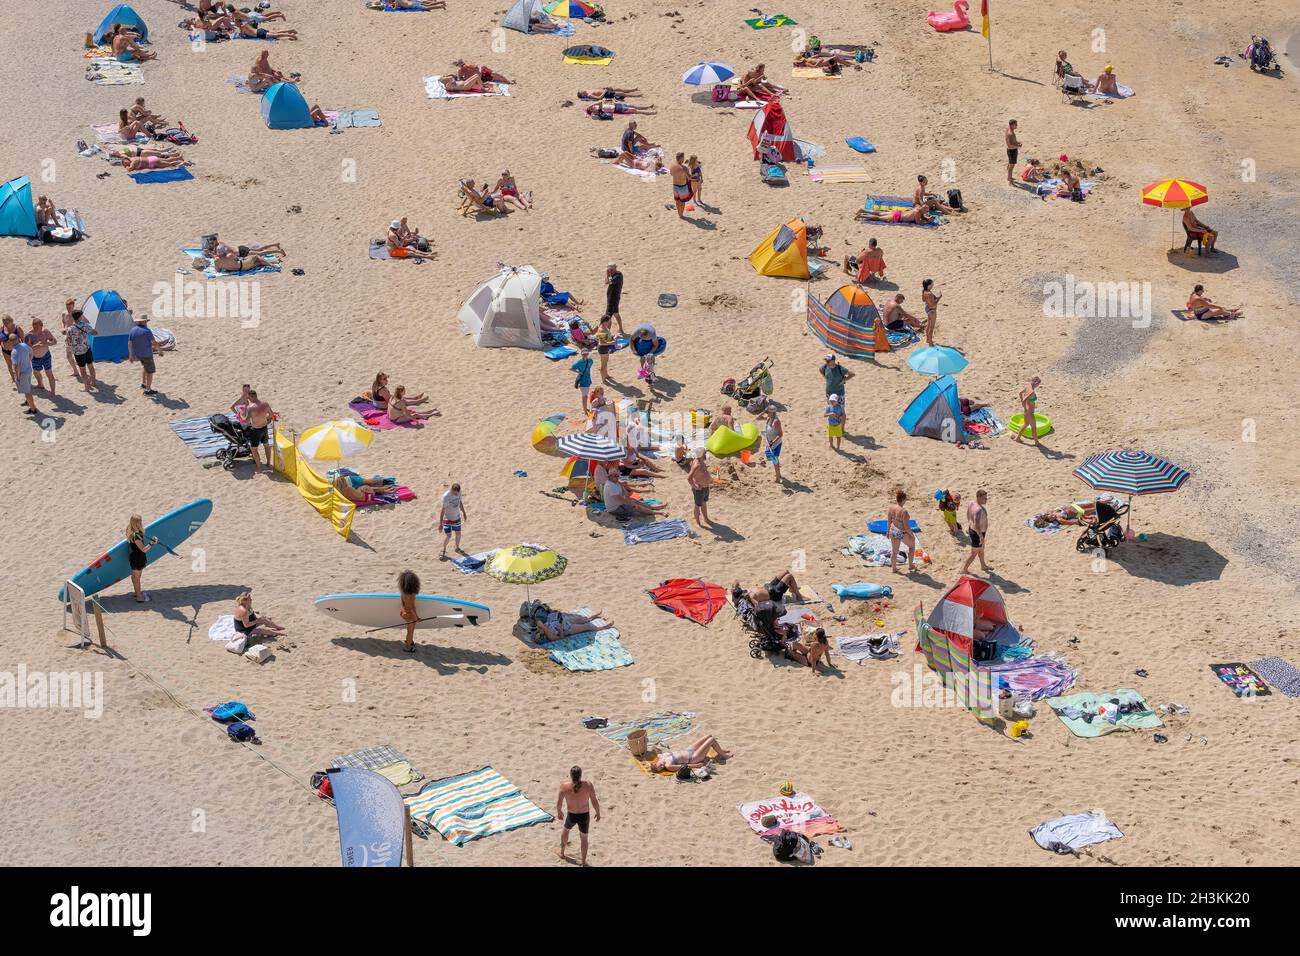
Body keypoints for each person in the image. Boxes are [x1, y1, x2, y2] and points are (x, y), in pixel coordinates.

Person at [556, 767, 601, 866]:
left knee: (565, 831)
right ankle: (584, 861)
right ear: (580, 775)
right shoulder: (588, 785)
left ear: (571, 775)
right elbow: (594, 800)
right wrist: (598, 812)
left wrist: (559, 811)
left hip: (571, 815)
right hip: (584, 815)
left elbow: (559, 803)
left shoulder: (564, 786)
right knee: (584, 838)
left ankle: (562, 853)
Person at [649, 735, 733, 773]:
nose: (662, 766)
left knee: (708, 736)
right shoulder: (668, 765)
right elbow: (683, 766)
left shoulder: (660, 756)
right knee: (711, 740)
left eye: (659, 765)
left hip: (688, 749)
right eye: (661, 768)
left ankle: (720, 750)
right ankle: (724, 756)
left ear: (656, 762)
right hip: (693, 757)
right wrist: (696, 765)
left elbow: (654, 749)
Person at [601, 473, 666, 519]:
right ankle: (656, 513)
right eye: (615, 476)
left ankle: (653, 508)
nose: (617, 477)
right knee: (635, 506)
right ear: (609, 477)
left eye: (618, 475)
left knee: (634, 500)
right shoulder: (610, 486)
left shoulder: (615, 482)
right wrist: (631, 503)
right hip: (615, 509)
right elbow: (620, 500)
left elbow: (624, 493)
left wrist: (626, 495)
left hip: (619, 504)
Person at [244, 390, 278, 473]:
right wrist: (265, 419)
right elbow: (271, 415)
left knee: (254, 449)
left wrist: (241, 415)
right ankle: (268, 464)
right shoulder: (265, 404)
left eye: (248, 397)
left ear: (251, 397)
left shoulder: (250, 408)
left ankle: (259, 468)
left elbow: (247, 421)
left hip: (256, 430)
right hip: (264, 427)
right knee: (266, 445)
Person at [124, 514, 156, 602]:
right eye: (139, 522)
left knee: (134, 576)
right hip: (138, 557)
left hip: (133, 556)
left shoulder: (129, 529)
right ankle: (139, 597)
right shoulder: (136, 535)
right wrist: (151, 543)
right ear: (136, 523)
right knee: (137, 577)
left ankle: (136, 592)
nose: (141, 523)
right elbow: (143, 549)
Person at [64, 308, 96, 391]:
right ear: (80, 317)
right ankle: (93, 382)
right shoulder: (85, 325)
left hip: (78, 352)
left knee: (82, 370)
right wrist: (93, 329)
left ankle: (87, 387)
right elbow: (94, 333)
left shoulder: (70, 329)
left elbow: (68, 341)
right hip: (87, 348)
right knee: (90, 366)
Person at [534, 609, 611, 644]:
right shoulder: (550, 636)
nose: (540, 633)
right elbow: (561, 637)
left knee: (581, 619)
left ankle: (593, 617)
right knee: (587, 626)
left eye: (539, 633)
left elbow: (539, 622)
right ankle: (603, 627)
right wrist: (561, 626)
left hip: (563, 622)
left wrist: (542, 627)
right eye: (541, 635)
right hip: (567, 629)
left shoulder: (541, 627)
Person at [25, 319, 57, 395]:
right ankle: (40, 384)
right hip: (35, 357)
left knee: (49, 374)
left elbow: (54, 341)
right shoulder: (29, 335)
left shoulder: (45, 332)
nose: (36, 329)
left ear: (41, 325)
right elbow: (26, 349)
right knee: (36, 372)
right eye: (34, 327)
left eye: (37, 327)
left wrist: (47, 344)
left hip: (46, 356)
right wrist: (36, 345)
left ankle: (53, 392)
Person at [962, 490, 991, 574]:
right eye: (984, 498)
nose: (986, 500)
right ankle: (964, 569)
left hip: (974, 531)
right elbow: (976, 524)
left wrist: (970, 524)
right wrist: (981, 536)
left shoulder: (971, 503)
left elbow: (968, 515)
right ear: (978, 497)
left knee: (981, 550)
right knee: (974, 553)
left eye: (986, 498)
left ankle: (983, 566)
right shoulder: (978, 510)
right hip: (978, 534)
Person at [887, 490, 916, 573]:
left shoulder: (891, 508)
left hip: (893, 530)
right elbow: (906, 527)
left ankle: (894, 568)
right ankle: (910, 565)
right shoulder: (904, 511)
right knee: (912, 547)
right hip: (901, 532)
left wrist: (887, 531)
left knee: (894, 551)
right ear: (903, 500)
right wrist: (912, 535)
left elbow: (889, 521)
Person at [128, 313, 157, 395]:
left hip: (138, 354)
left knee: (145, 367)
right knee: (150, 372)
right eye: (146, 321)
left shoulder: (133, 330)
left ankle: (143, 383)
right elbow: (153, 342)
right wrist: (160, 350)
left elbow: (129, 343)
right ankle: (148, 390)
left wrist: (130, 355)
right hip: (147, 354)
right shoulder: (147, 331)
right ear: (144, 321)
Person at [10, 334, 37, 416]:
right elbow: (31, 352)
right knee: (28, 387)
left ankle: (33, 409)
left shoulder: (14, 352)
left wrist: (17, 377)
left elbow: (16, 366)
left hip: (22, 374)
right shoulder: (24, 345)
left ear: (11, 342)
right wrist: (29, 360)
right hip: (28, 370)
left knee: (27, 392)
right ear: (18, 339)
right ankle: (27, 402)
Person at [820, 353, 853, 418]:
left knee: (842, 411)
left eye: (828, 361)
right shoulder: (826, 366)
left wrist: (844, 380)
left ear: (833, 361)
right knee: (831, 409)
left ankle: (842, 427)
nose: (826, 362)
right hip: (829, 392)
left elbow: (852, 374)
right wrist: (825, 377)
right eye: (826, 361)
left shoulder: (840, 368)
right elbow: (820, 370)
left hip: (839, 393)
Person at [685, 446, 712, 526]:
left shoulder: (701, 461)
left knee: (704, 503)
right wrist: (695, 487)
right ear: (701, 455)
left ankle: (706, 518)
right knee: (697, 505)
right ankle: (697, 522)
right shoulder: (697, 464)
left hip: (705, 487)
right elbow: (689, 478)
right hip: (699, 489)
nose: (706, 454)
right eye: (705, 453)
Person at [438, 483, 466, 559]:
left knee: (458, 534)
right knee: (448, 536)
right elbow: (443, 510)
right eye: (455, 493)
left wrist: (464, 512)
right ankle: (443, 550)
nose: (457, 495)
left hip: (457, 518)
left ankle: (457, 548)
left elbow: (460, 502)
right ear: (451, 490)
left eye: (458, 493)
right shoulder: (446, 497)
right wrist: (440, 523)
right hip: (447, 519)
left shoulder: (459, 492)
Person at [1013, 376, 1043, 445]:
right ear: (1036, 383)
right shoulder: (1032, 392)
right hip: (1029, 412)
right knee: (1033, 427)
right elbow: (1024, 400)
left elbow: (1020, 393)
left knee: (1025, 424)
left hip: (1027, 411)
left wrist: (1025, 407)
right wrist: (1025, 407)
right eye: (1038, 384)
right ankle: (1036, 442)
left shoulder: (1028, 387)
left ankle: (1017, 438)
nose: (1038, 385)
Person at [398, 570, 420, 653]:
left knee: (409, 630)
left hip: (403, 611)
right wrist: (416, 618)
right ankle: (408, 647)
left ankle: (409, 641)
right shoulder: (411, 595)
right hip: (409, 615)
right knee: (410, 632)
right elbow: (412, 607)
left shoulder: (403, 592)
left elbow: (403, 604)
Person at [762, 408, 783, 484]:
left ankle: (778, 479)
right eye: (766, 411)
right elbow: (758, 418)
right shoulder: (768, 418)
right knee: (774, 459)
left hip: (776, 443)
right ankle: (779, 474)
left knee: (775, 460)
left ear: (772, 412)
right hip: (769, 443)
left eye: (768, 412)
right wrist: (763, 412)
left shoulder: (776, 422)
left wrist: (772, 442)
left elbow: (780, 434)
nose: (767, 413)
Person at [856, 204, 932, 225]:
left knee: (879, 212)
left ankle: (863, 210)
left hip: (897, 212)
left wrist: (927, 218)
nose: (926, 213)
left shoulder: (918, 208)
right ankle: (861, 216)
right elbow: (918, 222)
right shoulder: (917, 213)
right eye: (926, 212)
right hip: (896, 216)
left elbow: (922, 216)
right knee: (878, 217)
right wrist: (927, 222)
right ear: (924, 210)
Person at [602, 263, 624, 334]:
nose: (609, 271)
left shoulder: (618, 276)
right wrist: (608, 274)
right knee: (616, 313)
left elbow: (608, 282)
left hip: (613, 299)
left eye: (611, 269)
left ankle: (608, 333)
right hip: (613, 298)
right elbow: (607, 282)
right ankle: (621, 329)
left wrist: (608, 274)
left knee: (608, 317)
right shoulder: (615, 274)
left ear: (614, 268)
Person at [1, 315, 23, 382]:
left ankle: (20, 377)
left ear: (11, 321)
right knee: (9, 365)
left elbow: (23, 339)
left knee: (18, 365)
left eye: (6, 322)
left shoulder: (17, 328)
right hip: (5, 350)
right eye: (4, 322)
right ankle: (13, 379)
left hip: (16, 350)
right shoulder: (2, 328)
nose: (5, 324)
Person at [670, 152, 692, 218]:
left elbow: (671, 173)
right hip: (682, 186)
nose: (683, 159)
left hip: (675, 185)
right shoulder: (684, 168)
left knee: (677, 201)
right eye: (683, 158)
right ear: (681, 158)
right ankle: (681, 215)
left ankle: (679, 213)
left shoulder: (672, 164)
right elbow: (689, 178)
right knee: (682, 202)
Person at [921, 279, 942, 346]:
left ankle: (928, 339)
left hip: (928, 309)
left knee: (929, 325)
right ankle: (930, 342)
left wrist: (934, 297)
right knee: (931, 327)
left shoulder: (924, 291)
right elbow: (933, 304)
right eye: (932, 284)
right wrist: (939, 298)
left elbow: (923, 300)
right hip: (932, 310)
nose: (933, 285)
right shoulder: (929, 293)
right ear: (929, 285)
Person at [1005, 120, 1020, 186]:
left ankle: (1009, 177)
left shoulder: (1008, 129)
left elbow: (1011, 141)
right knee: (1011, 167)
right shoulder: (1010, 133)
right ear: (1012, 125)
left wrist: (1017, 143)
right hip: (1012, 151)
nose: (1017, 126)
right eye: (1015, 124)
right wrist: (1018, 146)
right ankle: (1010, 181)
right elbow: (1010, 145)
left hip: (1010, 151)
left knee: (1010, 164)